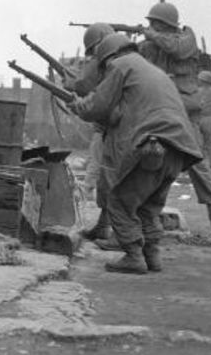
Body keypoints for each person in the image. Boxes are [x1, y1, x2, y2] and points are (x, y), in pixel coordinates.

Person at [69, 33, 202, 274]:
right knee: (148, 206)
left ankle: (133, 256)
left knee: (119, 202)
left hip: (153, 144)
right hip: (179, 148)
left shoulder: (120, 66)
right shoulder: (151, 71)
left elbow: (98, 105)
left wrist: (79, 105)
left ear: (108, 57)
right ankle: (152, 256)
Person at [137, 2, 211, 237]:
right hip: (162, 108)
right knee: (152, 160)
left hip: (185, 109)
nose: (150, 27)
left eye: (155, 24)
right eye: (149, 24)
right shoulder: (151, 45)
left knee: (196, 163)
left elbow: (176, 49)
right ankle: (148, 221)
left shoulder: (187, 37)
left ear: (167, 25)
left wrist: (151, 36)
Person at [63, 22, 115, 241]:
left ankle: (122, 236)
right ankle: (104, 226)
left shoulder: (108, 62)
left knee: (113, 178)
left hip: (116, 127)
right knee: (109, 177)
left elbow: (85, 84)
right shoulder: (121, 60)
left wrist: (70, 83)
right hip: (115, 126)